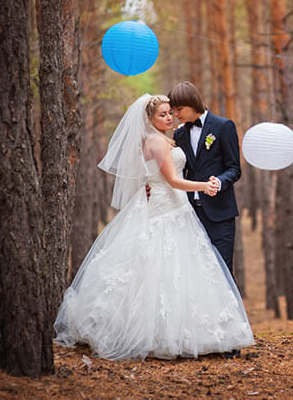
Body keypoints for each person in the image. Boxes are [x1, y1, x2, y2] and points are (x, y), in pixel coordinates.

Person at [54, 94, 254, 361]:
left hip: (179, 210)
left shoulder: (171, 137)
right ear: (149, 119)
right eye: (163, 114)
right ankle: (157, 333)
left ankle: (197, 331)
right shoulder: (157, 142)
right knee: (158, 268)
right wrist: (205, 185)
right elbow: (172, 180)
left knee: (185, 271)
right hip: (166, 208)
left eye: (171, 112)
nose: (170, 117)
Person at [168, 82, 241, 279]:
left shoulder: (223, 126)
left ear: (192, 103)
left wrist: (219, 181)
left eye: (179, 109)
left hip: (220, 214)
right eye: (173, 110)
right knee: (196, 276)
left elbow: (234, 168)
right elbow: (177, 170)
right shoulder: (179, 134)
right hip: (189, 214)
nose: (175, 114)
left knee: (222, 273)